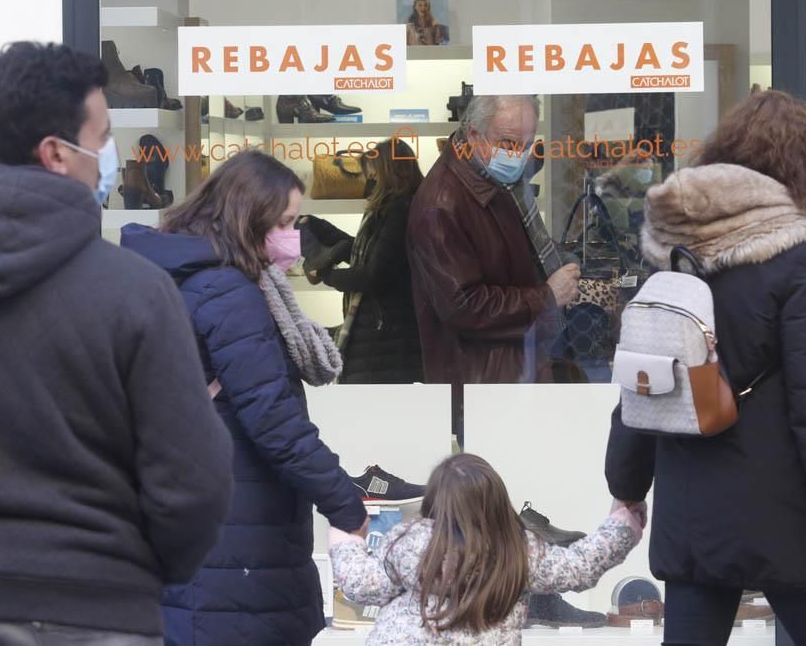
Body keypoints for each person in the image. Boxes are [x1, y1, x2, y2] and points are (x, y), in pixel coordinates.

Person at [0, 42, 233, 644]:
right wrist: (139, 573)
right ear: (56, 153)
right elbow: (194, 479)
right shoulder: (136, 292)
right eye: (102, 138)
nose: (113, 157)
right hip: (101, 612)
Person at [605, 90, 806, 646]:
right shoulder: (802, 251)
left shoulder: (672, 240)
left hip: (691, 501)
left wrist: (626, 485)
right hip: (784, 511)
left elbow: (644, 376)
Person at [120, 149, 369, 646]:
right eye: (284, 222)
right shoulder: (229, 292)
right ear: (247, 217)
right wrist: (346, 504)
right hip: (237, 539)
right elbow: (274, 421)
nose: (292, 237)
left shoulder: (171, 275)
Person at [327, 453, 643, 644]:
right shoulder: (517, 549)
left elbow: (362, 584)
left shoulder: (410, 541)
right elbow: (580, 566)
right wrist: (623, 523)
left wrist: (346, 536)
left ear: (435, 500)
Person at [407, 95, 581, 431]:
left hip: (510, 373)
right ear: (473, 135)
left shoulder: (495, 182)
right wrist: (546, 295)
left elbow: (511, 257)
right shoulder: (442, 205)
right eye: (507, 143)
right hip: (484, 384)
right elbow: (463, 305)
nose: (517, 154)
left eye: (527, 144)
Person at [304, 139, 424, 383]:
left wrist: (326, 274)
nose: (370, 183)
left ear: (388, 173)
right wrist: (323, 230)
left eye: (374, 176)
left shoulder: (399, 211)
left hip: (385, 336)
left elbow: (374, 275)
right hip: (384, 334)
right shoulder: (391, 209)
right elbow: (371, 254)